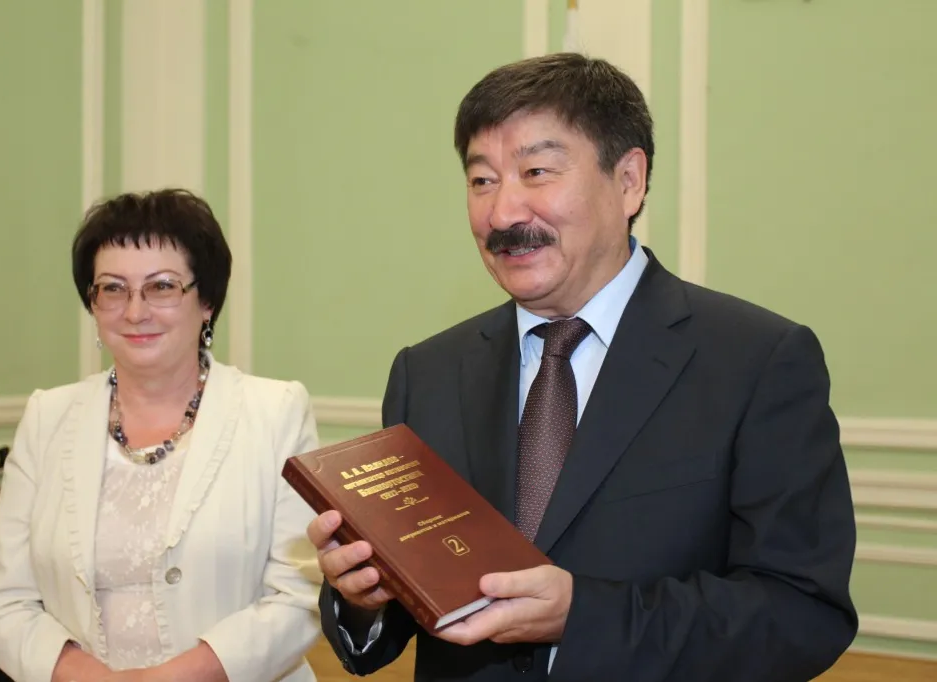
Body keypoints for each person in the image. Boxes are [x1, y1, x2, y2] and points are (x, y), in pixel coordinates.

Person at [308, 53, 858, 681]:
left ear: (628, 181)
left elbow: (801, 614)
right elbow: (406, 608)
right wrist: (362, 598)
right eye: (482, 180)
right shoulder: (427, 373)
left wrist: (583, 616)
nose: (502, 214)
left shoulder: (756, 361)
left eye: (536, 171)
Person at [0, 189, 323, 682]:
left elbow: (298, 597)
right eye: (113, 289)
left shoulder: (275, 412)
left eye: (161, 287)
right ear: (93, 303)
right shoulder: (47, 417)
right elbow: (3, 605)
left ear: (206, 301)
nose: (135, 311)